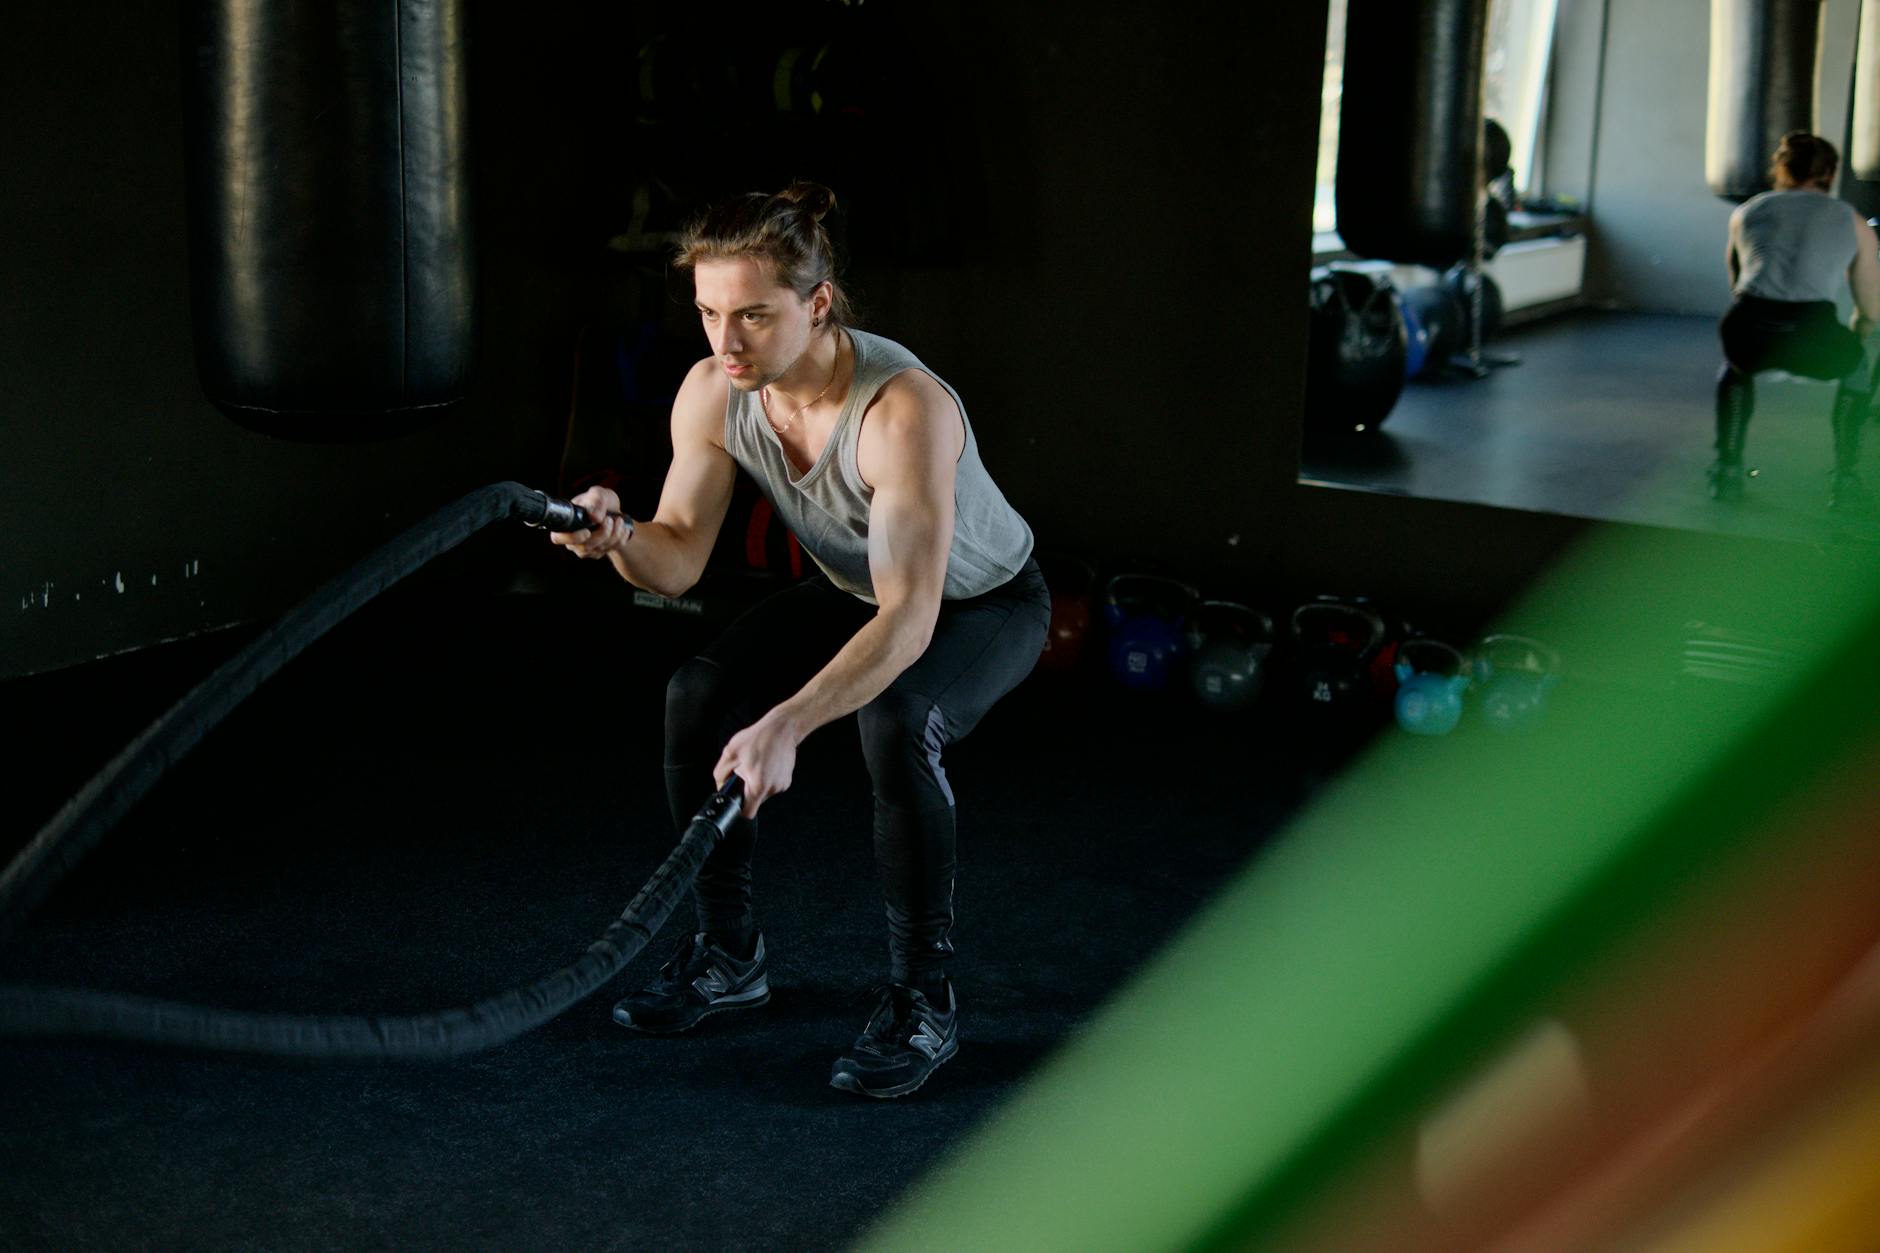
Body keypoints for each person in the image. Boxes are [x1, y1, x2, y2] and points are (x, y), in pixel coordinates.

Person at [550, 182, 1050, 1098]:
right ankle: (729, 957)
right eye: (707, 312)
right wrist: (617, 538)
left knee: (898, 720)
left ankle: (922, 998)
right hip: (856, 588)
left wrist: (789, 723)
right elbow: (678, 564)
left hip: (984, 604)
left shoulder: (902, 407)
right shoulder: (715, 391)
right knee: (695, 693)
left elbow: (909, 618)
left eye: (751, 315)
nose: (724, 341)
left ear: (817, 304)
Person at [1714, 131, 1880, 511]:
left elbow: (1737, 286)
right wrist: (1855, 335)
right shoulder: (1852, 222)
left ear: (1782, 169)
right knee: (1856, 368)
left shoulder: (1748, 212)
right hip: (1813, 334)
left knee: (1734, 368)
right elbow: (1870, 311)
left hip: (1748, 330)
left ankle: (1728, 471)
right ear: (1831, 174)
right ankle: (1846, 480)